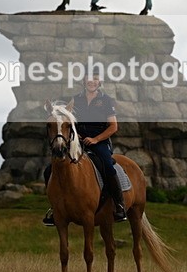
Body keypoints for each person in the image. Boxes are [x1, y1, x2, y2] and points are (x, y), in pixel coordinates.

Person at [42, 69, 126, 226]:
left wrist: (96, 139)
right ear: (84, 81)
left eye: (95, 78)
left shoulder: (106, 100)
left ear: (99, 82)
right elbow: (67, 122)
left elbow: (113, 126)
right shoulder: (75, 100)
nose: (92, 81)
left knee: (108, 166)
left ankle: (119, 205)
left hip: (99, 142)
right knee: (49, 170)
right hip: (77, 141)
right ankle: (55, 208)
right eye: (89, 78)